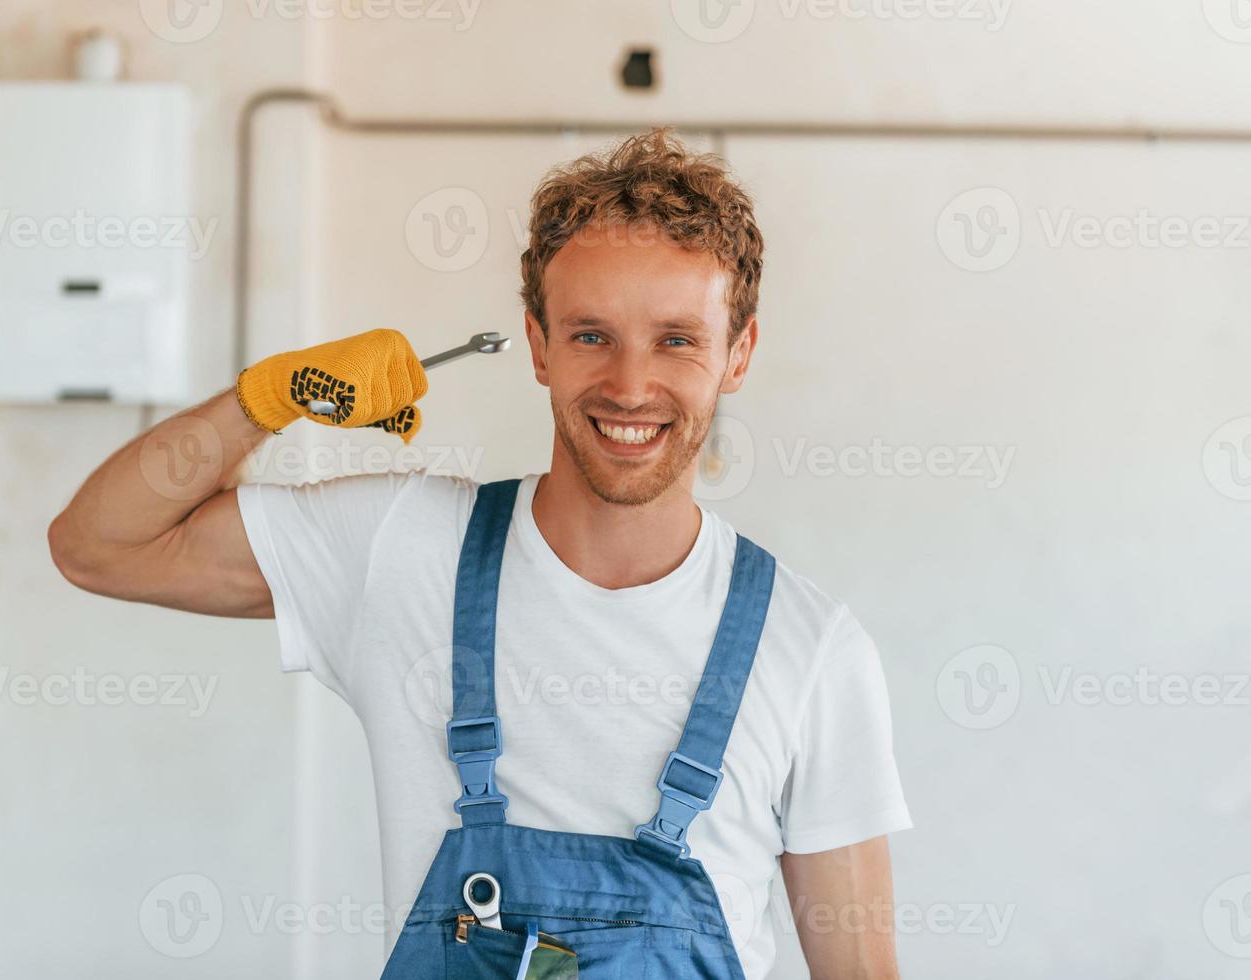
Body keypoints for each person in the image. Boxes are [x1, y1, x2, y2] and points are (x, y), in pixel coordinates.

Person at [48, 128, 911, 979]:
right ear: (537, 345)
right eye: (590, 334)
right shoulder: (404, 549)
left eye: (677, 340)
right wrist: (268, 400)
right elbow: (99, 545)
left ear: (739, 353)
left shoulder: (812, 653)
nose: (631, 385)